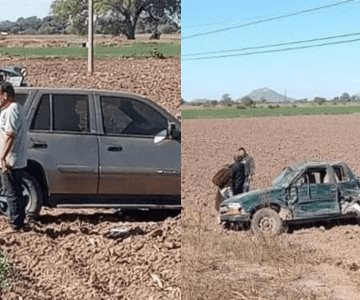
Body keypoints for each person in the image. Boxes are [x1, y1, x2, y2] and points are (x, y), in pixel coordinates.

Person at [0, 82, 28, 231]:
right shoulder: (14, 109)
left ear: (5, 95)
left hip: (11, 160)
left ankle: (15, 224)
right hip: (12, 159)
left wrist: (2, 157)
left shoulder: (12, 110)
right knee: (15, 191)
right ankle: (19, 221)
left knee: (12, 193)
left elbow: (10, 135)